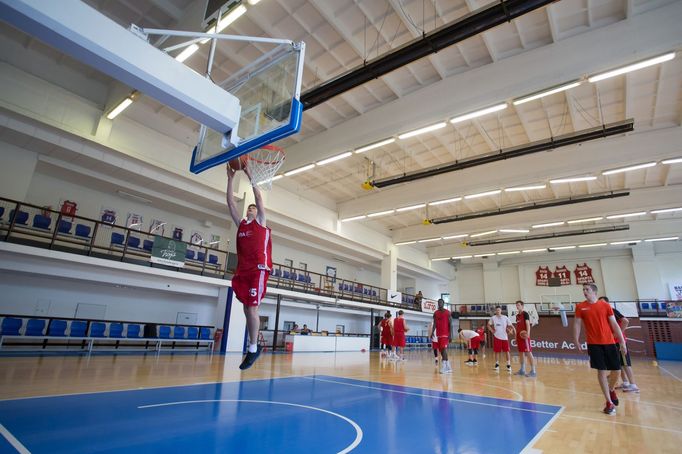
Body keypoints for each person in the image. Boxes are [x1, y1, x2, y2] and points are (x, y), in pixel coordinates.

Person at [226, 164, 271, 371]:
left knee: (252, 307)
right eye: (249, 208)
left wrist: (249, 174)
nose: (251, 208)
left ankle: (253, 348)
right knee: (246, 308)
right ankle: (253, 346)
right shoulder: (242, 224)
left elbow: (259, 199)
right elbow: (230, 204)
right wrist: (230, 178)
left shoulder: (260, 222)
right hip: (242, 270)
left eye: (253, 207)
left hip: (258, 269)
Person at [574, 284, 627, 415]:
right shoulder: (580, 307)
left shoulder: (605, 305)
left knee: (617, 371)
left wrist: (622, 342)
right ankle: (609, 402)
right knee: (601, 371)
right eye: (583, 290)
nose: (584, 292)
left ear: (594, 292)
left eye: (587, 290)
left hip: (609, 342)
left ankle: (611, 388)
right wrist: (576, 340)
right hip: (594, 344)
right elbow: (576, 324)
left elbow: (614, 324)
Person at [601, 296, 640, 393]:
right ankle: (625, 383)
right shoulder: (603, 313)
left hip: (620, 342)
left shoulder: (612, 310)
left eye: (602, 302)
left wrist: (618, 334)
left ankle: (633, 385)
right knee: (619, 364)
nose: (601, 304)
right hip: (612, 342)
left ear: (607, 303)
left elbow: (625, 321)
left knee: (626, 364)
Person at [428, 299, 452, 374]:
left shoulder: (448, 312)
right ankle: (448, 366)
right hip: (438, 334)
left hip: (445, 334)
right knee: (441, 350)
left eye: (441, 302)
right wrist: (432, 333)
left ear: (443, 303)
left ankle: (444, 366)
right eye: (438, 303)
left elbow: (450, 324)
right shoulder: (436, 313)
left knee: (443, 349)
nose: (439, 304)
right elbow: (434, 323)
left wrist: (450, 335)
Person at [514, 301, 537, 377]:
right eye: (516, 305)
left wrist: (528, 335)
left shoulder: (525, 314)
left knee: (528, 352)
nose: (517, 306)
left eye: (518, 305)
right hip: (519, 337)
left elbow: (528, 324)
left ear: (522, 306)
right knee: (521, 353)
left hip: (525, 337)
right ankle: (522, 370)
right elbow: (517, 327)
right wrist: (516, 336)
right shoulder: (517, 316)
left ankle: (533, 371)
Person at [488, 305, 514, 373]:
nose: (498, 311)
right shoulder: (493, 318)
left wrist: (511, 330)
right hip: (497, 337)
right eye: (496, 310)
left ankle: (508, 365)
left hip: (504, 337)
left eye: (499, 310)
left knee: (507, 351)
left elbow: (510, 325)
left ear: (501, 310)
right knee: (497, 351)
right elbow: (488, 325)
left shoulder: (505, 317)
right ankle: (497, 364)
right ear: (495, 311)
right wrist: (492, 330)